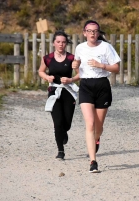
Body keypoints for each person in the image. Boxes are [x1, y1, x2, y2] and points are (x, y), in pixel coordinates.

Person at [72, 20, 121, 173]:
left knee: (98, 127)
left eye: (95, 30)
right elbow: (78, 66)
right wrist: (75, 66)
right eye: (89, 30)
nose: (92, 33)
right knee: (90, 124)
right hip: (86, 86)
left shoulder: (106, 47)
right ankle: (93, 161)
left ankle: (97, 138)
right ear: (84, 33)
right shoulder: (80, 48)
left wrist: (102, 65)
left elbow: (117, 68)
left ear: (98, 33)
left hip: (102, 86)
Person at [38, 30, 79, 160]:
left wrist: (70, 80)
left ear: (66, 43)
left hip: (68, 91)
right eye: (58, 42)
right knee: (57, 122)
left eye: (63, 42)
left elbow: (80, 74)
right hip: (54, 91)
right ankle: (60, 151)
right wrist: (47, 77)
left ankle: (64, 132)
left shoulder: (72, 58)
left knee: (66, 123)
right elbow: (40, 71)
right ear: (53, 43)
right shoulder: (48, 58)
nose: (61, 44)